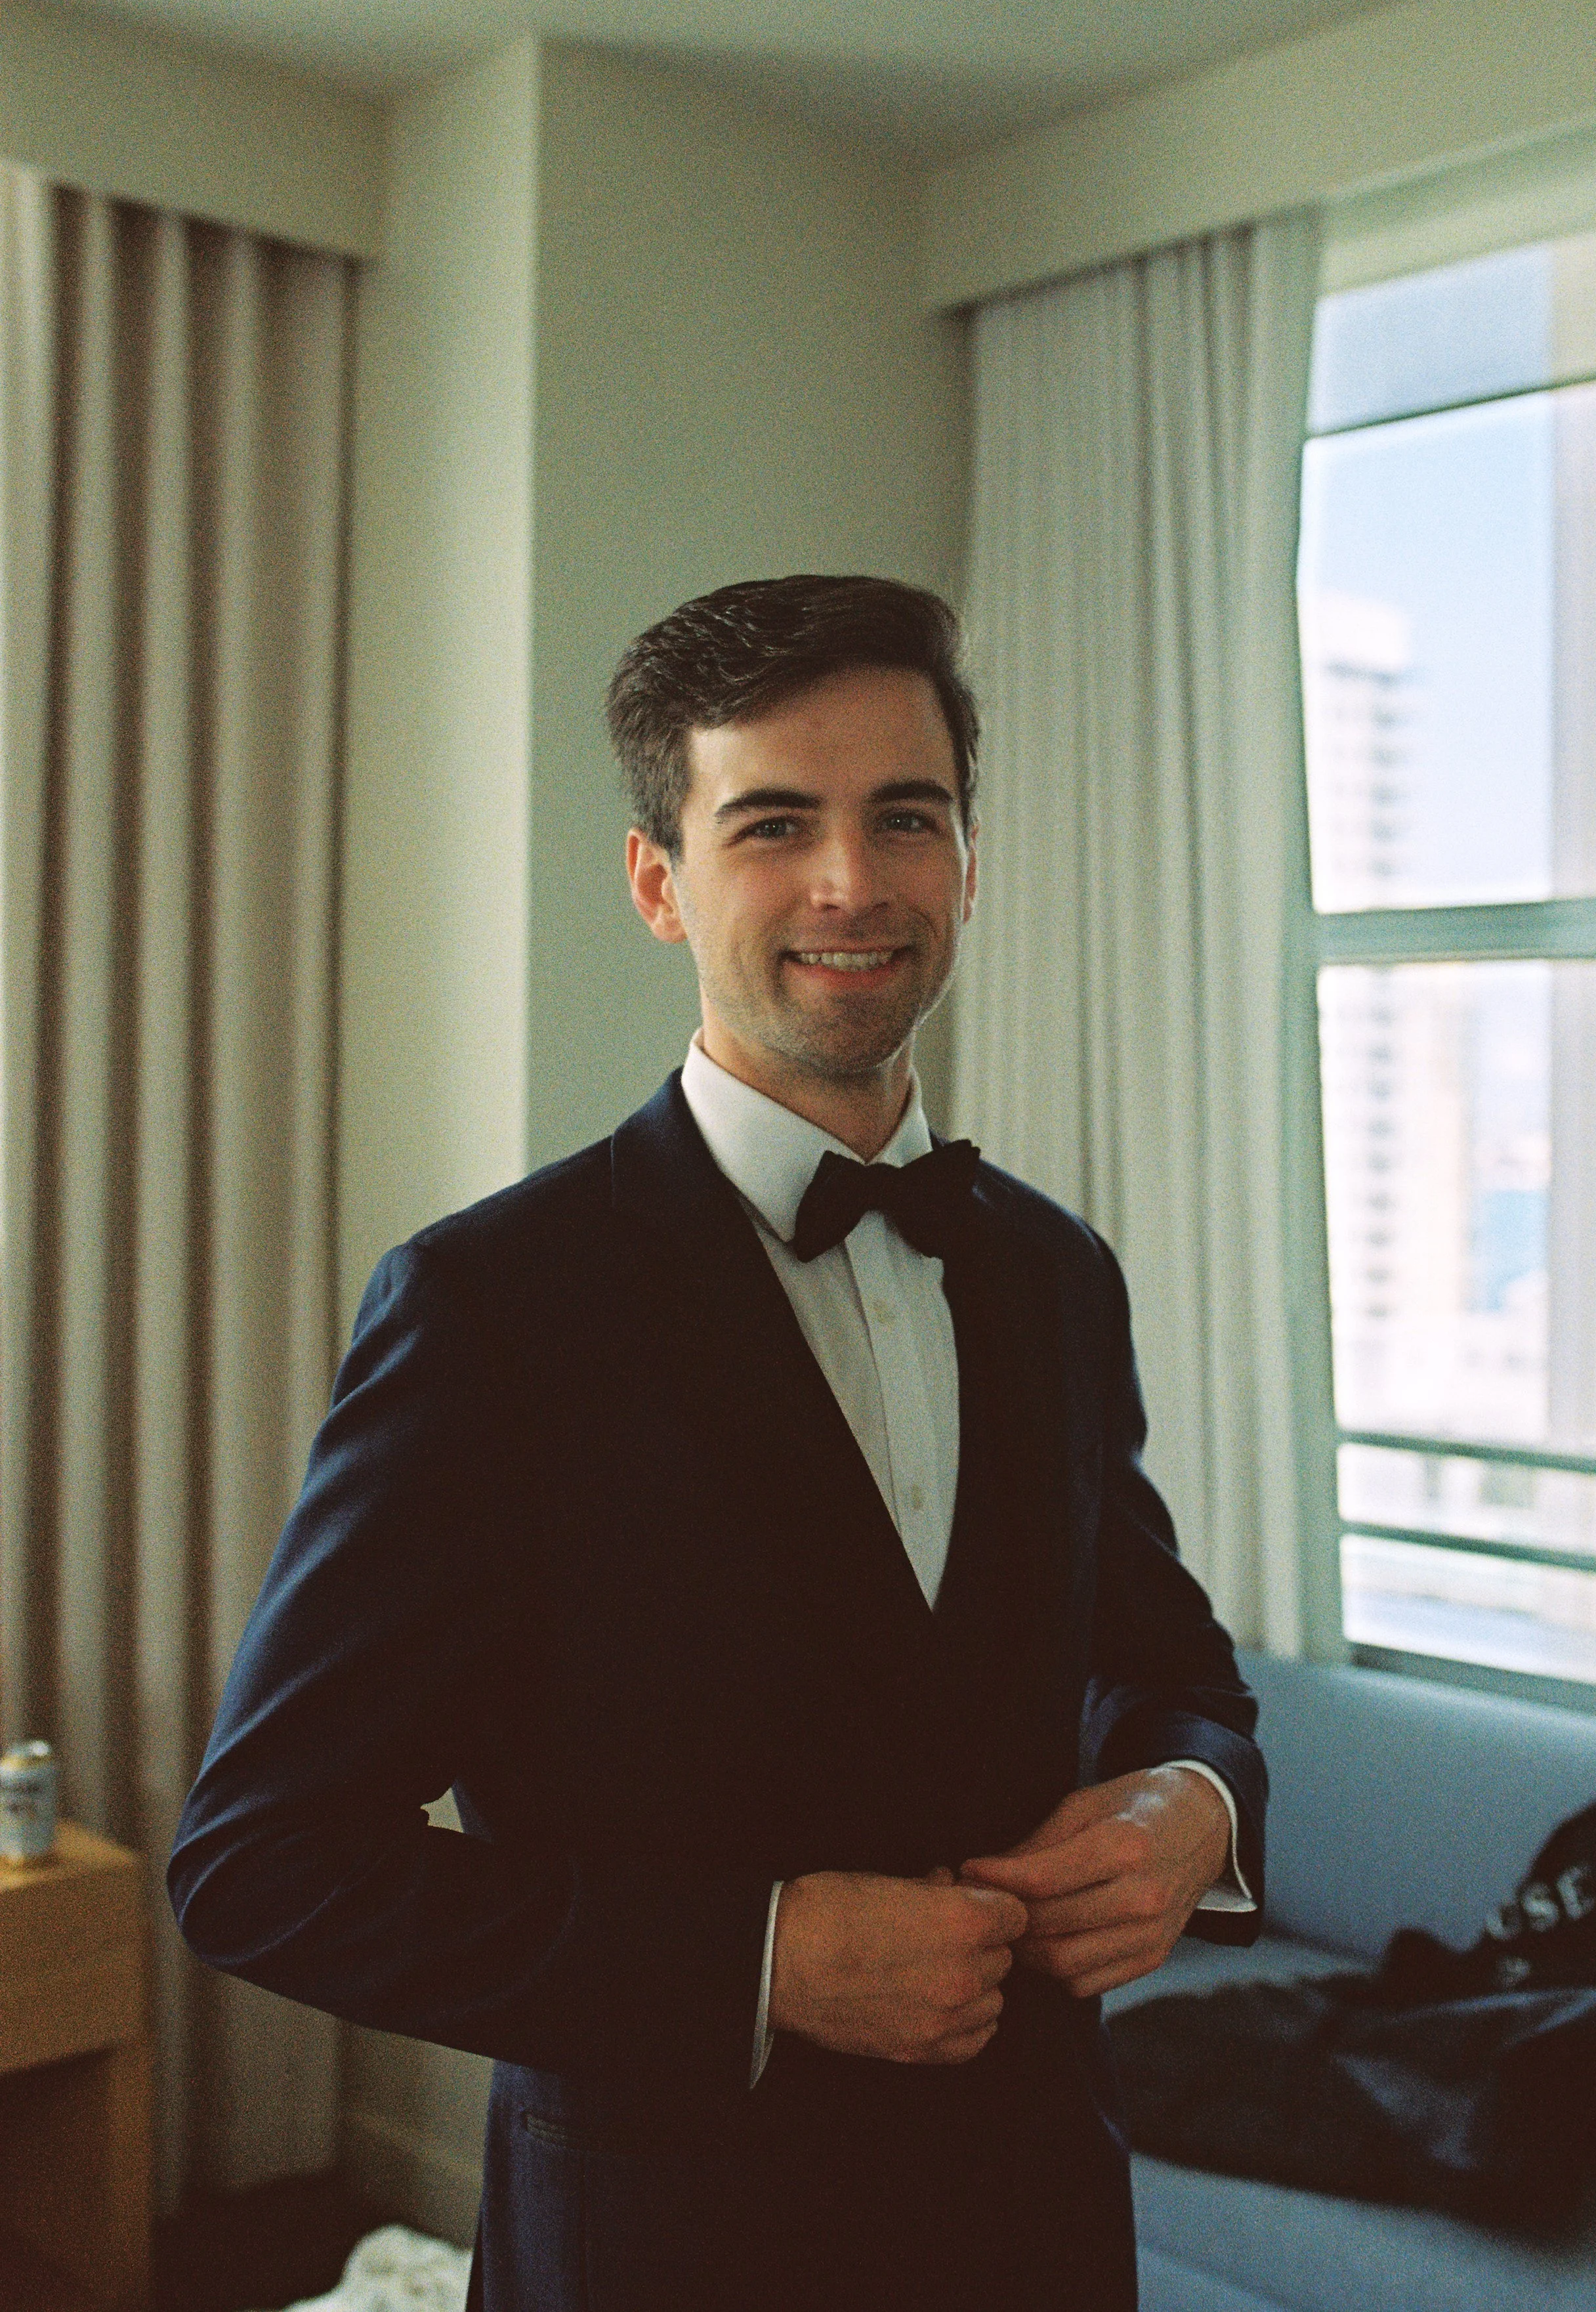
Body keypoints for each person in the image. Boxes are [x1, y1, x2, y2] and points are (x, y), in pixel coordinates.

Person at [170, 574, 1266, 2312]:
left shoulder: (1051, 1271)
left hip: (1039, 2226)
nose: (850, 883)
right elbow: (262, 1862)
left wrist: (1191, 1805)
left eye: (903, 817)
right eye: (773, 823)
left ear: (965, 861)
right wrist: (756, 1959)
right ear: (656, 882)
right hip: (671, 2246)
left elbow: (1166, 1661)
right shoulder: (490, 1309)